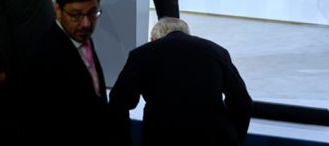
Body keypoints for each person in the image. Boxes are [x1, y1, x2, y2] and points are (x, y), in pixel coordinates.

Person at [108, 17, 252, 146]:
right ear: (187, 33)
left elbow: (118, 102)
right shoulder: (217, 52)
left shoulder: (141, 54)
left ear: (153, 39)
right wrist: (234, 138)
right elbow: (243, 102)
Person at [26, 0, 107, 144]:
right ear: (58, 11)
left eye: (92, 13)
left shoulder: (80, 38)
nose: (86, 23)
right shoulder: (44, 55)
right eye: (76, 15)